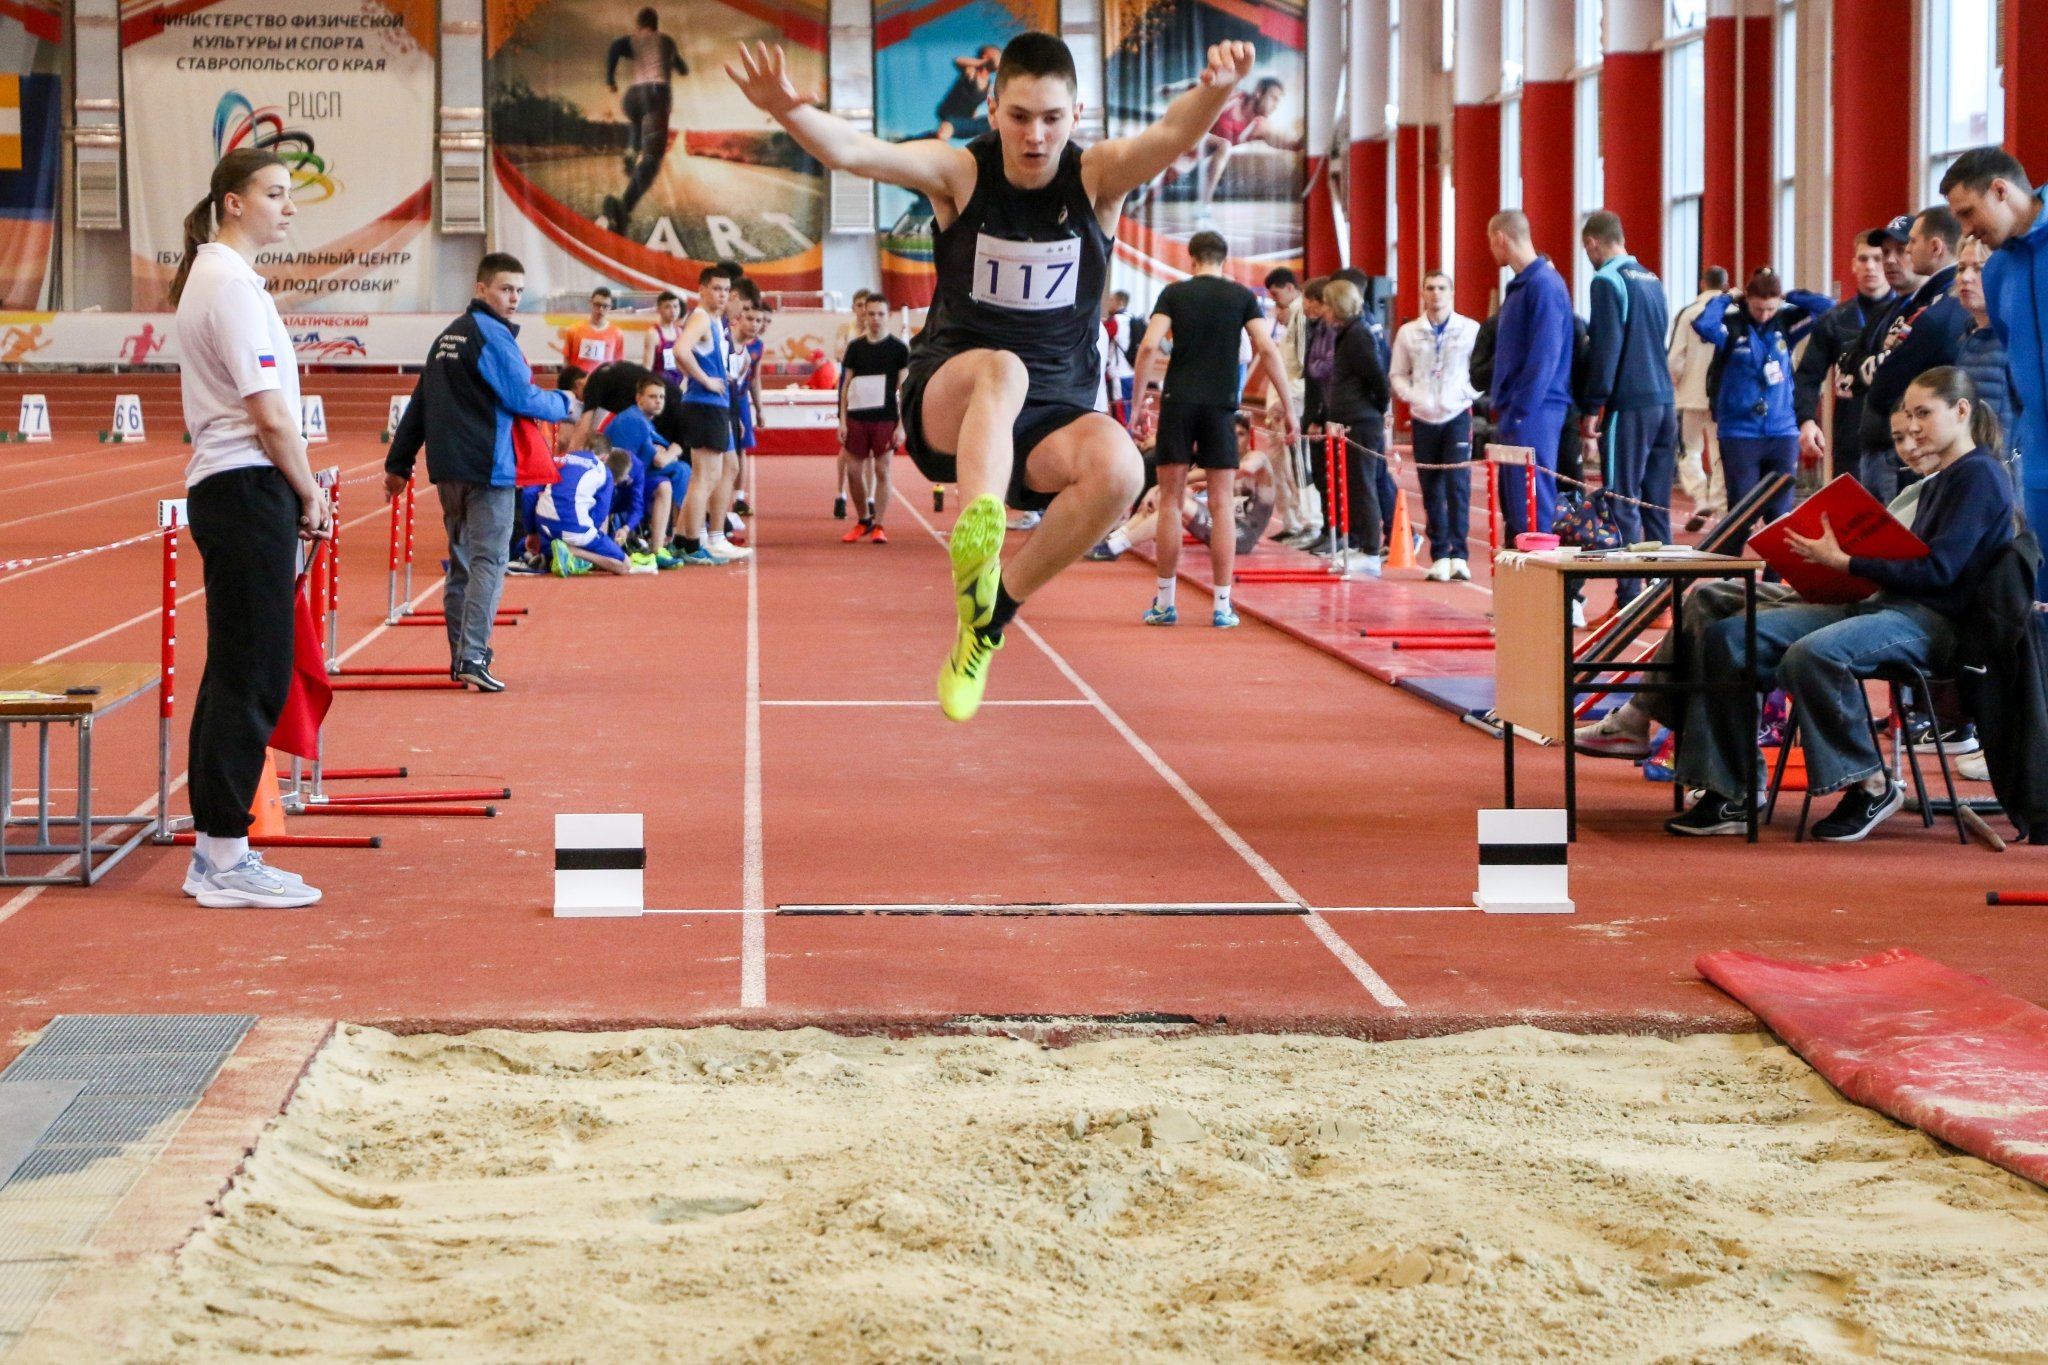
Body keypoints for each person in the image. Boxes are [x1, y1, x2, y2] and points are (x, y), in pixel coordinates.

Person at [729, 33, 1267, 721]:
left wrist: (1217, 90)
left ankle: (988, 619)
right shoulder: (961, 173)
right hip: (953, 398)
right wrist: (786, 109)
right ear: (992, 110)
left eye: (1051, 118)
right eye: (1019, 117)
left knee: (1121, 470)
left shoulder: (1097, 177)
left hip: (1049, 416)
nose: (1035, 136)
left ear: (1076, 115)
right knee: (1003, 367)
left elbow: (1170, 134)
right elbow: (858, 152)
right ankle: (977, 540)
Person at [1665, 367, 2013, 841]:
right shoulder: (1941, 477)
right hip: (1886, 606)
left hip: (1934, 623)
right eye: (1908, 417)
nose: (1913, 427)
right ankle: (1733, 791)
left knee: (1813, 654)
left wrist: (1848, 562)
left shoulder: (1980, 476)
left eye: (1923, 414)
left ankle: (1872, 784)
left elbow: (1939, 573)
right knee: (1731, 636)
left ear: (1961, 411)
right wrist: (1841, 569)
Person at [1576, 401, 1948, 759]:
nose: (1909, 444)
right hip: (1853, 594)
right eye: (1899, 438)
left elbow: (1931, 574)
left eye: (1920, 426)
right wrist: (1830, 563)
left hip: (1880, 610)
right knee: (1707, 597)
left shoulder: (1964, 482)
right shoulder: (1912, 491)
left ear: (1959, 414)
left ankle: (1724, 766)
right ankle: (1639, 720)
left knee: (1733, 634)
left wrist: (1846, 562)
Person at [170, 147, 327, 909]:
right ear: (234, 202)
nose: (289, 206)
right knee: (252, 672)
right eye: (275, 193)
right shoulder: (228, 285)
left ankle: (216, 851)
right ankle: (225, 857)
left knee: (238, 669)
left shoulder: (227, 279)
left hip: (239, 488)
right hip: (247, 487)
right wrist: (310, 492)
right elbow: (269, 415)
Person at [387, 253, 575, 692]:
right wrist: (566, 402)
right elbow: (522, 398)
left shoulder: (446, 338)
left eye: (519, 291)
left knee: (462, 565)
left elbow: (420, 403)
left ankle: (462, 656)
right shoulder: (493, 337)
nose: (514, 299)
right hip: (489, 469)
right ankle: (472, 654)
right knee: (489, 562)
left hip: (448, 470)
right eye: (506, 289)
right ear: (481, 288)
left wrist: (398, 463)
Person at [1130, 230, 1298, 626]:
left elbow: (1149, 345)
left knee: (1170, 503)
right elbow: (1267, 348)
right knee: (1221, 506)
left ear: (1192, 259)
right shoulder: (1241, 296)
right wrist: (1289, 408)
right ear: (1224, 260)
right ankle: (1222, 606)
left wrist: (1137, 405)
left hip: (1178, 403)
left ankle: (1165, 603)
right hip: (1221, 406)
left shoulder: (1174, 293)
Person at [1941, 144, 2047, 596]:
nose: (1967, 230)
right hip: (2038, 467)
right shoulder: (1999, 270)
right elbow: (2017, 360)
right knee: (2037, 602)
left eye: (1968, 212)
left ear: (2000, 190)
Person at [1578, 210, 1679, 602]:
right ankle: (1663, 596)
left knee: (1622, 500)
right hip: (1664, 401)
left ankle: (1630, 598)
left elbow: (1606, 348)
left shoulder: (1607, 280)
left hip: (1631, 403)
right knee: (1657, 504)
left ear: (1592, 243)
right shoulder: (1652, 279)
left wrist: (1592, 406)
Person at [1690, 270, 1835, 534]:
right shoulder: (1732, 326)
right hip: (1740, 433)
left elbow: (1828, 308)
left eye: (1771, 308)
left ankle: (1773, 564)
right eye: (1758, 308)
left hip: (1782, 431)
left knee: (1780, 517)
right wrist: (1726, 298)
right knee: (1741, 515)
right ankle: (1731, 562)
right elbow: (1704, 325)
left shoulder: (1785, 324)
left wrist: (1790, 296)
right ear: (1748, 300)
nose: (1765, 315)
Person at [1854, 207, 1969, 503]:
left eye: (1909, 244)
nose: (1896, 257)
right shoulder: (1900, 309)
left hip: (1915, 446)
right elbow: (1855, 368)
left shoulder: (1938, 312)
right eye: (1885, 252)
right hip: (1886, 443)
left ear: (1936, 247)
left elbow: (1887, 382)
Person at [1486, 210, 1575, 541]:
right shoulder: (1521, 286)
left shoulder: (1544, 285)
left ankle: (1541, 567)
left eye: (1490, 242)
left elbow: (1545, 355)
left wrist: (1523, 408)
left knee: (1532, 501)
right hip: (1519, 407)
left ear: (1500, 238)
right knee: (1515, 504)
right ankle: (1522, 566)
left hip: (1536, 408)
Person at [1388, 269, 1479, 581]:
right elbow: (1397, 373)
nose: (1436, 293)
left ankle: (1460, 554)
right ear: (1422, 293)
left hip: (1457, 415)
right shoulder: (1409, 333)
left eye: (1442, 288)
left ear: (1451, 293)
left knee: (1458, 486)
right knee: (1431, 488)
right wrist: (1413, 397)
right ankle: (1440, 553)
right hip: (1424, 418)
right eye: (1430, 288)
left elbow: (1482, 369)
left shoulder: (1469, 329)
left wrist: (1467, 393)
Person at [1088, 412, 1275, 560]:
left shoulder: (1257, 458)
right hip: (1220, 528)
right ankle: (1115, 536)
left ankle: (1115, 547)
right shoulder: (1223, 464)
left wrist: (1195, 480)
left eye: (1240, 435)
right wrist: (1158, 489)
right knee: (1170, 497)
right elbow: (1191, 482)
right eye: (1231, 435)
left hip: (1241, 535)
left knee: (1176, 503)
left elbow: (1246, 469)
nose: (1235, 440)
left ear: (1249, 437)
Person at [1135, 76, 1297, 231]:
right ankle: (1203, 208)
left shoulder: (1260, 128)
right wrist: (1171, 88)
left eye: (1278, 101)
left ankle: (1137, 206)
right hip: (1186, 130)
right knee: (1224, 145)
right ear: (1259, 93)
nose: (1276, 106)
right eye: (1273, 98)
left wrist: (1304, 141)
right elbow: (1197, 83)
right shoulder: (1231, 95)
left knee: (1160, 185)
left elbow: (1289, 143)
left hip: (1196, 150)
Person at [1794, 237, 1894, 484]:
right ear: (1853, 265)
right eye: (1863, 259)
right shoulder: (1834, 320)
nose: (1870, 266)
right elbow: (1808, 375)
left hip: (1898, 440)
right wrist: (1806, 421)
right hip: (1850, 440)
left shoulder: (1908, 315)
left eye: (1878, 259)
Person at [670, 264, 747, 564]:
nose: (722, 295)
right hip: (705, 404)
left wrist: (709, 375)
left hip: (711, 404)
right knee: (705, 478)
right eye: (716, 289)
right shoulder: (701, 317)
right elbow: (680, 350)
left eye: (726, 290)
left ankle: (682, 540)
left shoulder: (713, 320)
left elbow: (687, 356)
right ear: (701, 289)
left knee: (708, 476)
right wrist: (704, 380)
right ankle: (692, 545)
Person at [1317, 277, 1389, 572]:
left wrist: (1376, 410)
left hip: (1361, 421)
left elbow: (1377, 378)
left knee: (1363, 485)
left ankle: (1370, 551)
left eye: (1326, 304)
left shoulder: (1358, 334)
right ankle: (1360, 545)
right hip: (1350, 419)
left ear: (1337, 305)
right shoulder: (1346, 333)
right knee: (1352, 485)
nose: (1323, 310)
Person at [599, 7, 689, 234]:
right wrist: (679, 67)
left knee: (638, 123)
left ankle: (631, 151)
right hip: (656, 95)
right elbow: (681, 67)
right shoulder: (667, 41)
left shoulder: (634, 39)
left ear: (639, 25)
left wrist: (610, 79)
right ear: (656, 24)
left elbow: (615, 47)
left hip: (633, 98)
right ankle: (624, 207)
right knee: (653, 158)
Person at [838, 293, 910, 543]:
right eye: (871, 314)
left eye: (880, 314)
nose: (875, 319)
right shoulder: (855, 347)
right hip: (857, 418)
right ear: (864, 315)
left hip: (885, 418)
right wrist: (842, 420)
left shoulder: (899, 349)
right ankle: (863, 520)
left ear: (888, 316)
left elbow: (904, 389)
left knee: (882, 469)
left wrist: (901, 425)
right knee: (853, 471)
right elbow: (845, 386)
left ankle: (879, 524)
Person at [1953, 234, 2020, 495]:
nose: (1966, 277)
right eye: (1961, 268)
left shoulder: (2014, 336)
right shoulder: (1967, 335)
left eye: (1979, 269)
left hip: (2007, 482)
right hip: (1972, 473)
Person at [1668, 267, 1731, 531]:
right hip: (1724, 397)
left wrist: (1677, 384)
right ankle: (1720, 506)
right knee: (1720, 453)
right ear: (1726, 285)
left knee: (1689, 450)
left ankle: (1700, 497)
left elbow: (1674, 359)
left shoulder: (1688, 313)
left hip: (1691, 395)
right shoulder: (1733, 312)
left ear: (1702, 283)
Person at [603, 372, 684, 566]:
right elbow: (660, 461)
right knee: (681, 471)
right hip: (612, 488)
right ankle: (686, 536)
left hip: (630, 482)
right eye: (653, 396)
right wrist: (675, 449)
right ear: (639, 398)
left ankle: (658, 549)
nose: (658, 401)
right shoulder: (634, 420)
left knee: (663, 485)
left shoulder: (645, 422)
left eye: (661, 397)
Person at [538, 435, 647, 576]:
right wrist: (592, 541)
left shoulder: (565, 457)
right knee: (625, 566)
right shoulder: (604, 472)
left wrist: (626, 529)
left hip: (543, 521)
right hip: (575, 523)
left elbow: (530, 492)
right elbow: (600, 514)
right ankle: (573, 551)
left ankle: (548, 551)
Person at [1262, 266, 1309, 538]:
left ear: (1291, 288)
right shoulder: (1289, 319)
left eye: (1276, 295)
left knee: (1295, 467)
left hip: (1292, 405)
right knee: (1278, 466)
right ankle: (1291, 523)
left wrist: (1287, 400)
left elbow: (1304, 370)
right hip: (1279, 405)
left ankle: (1307, 523)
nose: (1275, 303)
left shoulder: (1301, 316)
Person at [933, 46, 1001, 142]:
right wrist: (983, 63)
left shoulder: (989, 85)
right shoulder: (970, 71)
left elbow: (975, 106)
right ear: (985, 56)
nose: (999, 60)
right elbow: (957, 61)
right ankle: (936, 141)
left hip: (965, 123)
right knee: (946, 129)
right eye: (996, 56)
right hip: (949, 118)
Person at [562, 287, 627, 369]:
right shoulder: (574, 330)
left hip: (604, 377)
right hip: (579, 377)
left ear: (610, 307)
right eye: (597, 305)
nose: (600, 309)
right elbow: (566, 360)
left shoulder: (617, 334)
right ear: (590, 303)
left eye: (605, 306)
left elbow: (618, 364)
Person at [1101, 289, 1139, 423]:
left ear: (1120, 302)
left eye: (1111, 300)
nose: (1108, 302)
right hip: (1131, 372)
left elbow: (1100, 336)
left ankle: (1125, 436)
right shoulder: (1133, 318)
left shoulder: (1115, 321)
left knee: (1120, 415)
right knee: (1128, 411)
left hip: (1117, 373)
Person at [642, 290, 686, 385]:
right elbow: (647, 367)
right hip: (659, 384)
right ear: (659, 309)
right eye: (667, 307)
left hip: (677, 384)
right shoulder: (653, 334)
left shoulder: (679, 332)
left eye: (675, 306)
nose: (672, 311)